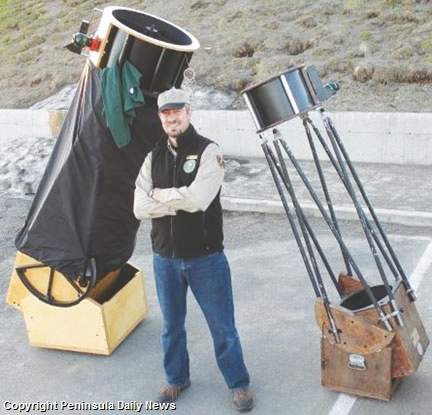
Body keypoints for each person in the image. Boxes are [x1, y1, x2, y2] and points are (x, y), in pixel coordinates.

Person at [134, 87, 253, 412]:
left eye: (177, 111)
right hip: (165, 259)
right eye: (165, 113)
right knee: (171, 327)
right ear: (160, 117)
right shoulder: (152, 156)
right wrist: (177, 199)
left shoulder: (208, 151)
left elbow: (200, 200)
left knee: (222, 326)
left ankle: (238, 384)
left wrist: (159, 196)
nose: (171, 118)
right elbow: (138, 207)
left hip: (206, 258)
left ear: (189, 112)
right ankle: (176, 379)